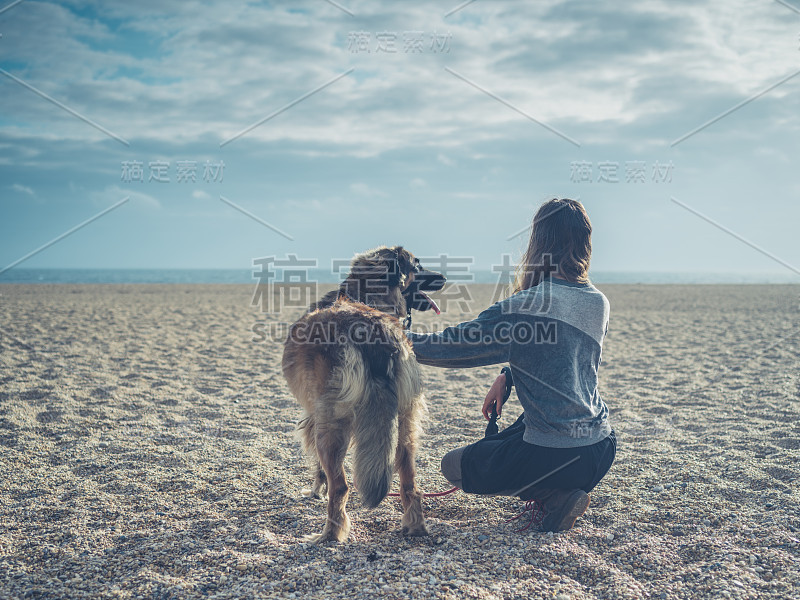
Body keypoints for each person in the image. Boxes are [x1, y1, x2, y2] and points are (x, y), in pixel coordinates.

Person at [405, 198, 616, 533]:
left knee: (455, 465)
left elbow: (449, 346)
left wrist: (391, 334)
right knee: (528, 425)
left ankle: (552, 494)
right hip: (600, 448)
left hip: (553, 457)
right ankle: (562, 491)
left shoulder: (525, 305)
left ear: (538, 243)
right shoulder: (598, 302)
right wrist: (508, 374)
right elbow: (562, 356)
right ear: (585, 242)